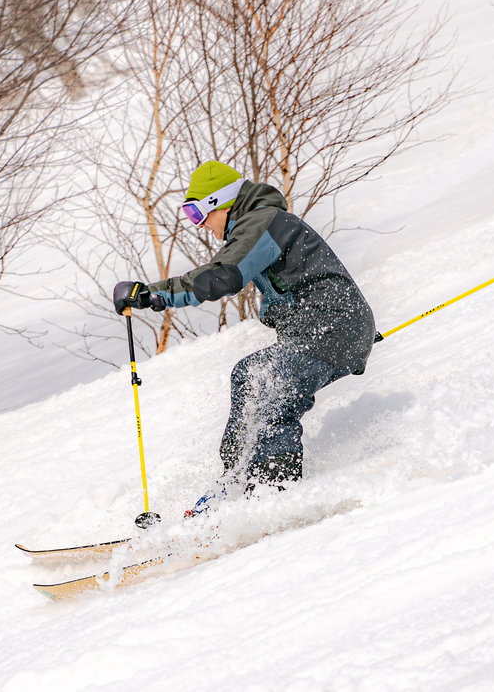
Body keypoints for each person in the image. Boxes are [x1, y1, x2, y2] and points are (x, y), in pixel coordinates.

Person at [113, 161, 375, 512]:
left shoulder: (263, 221)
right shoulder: (259, 223)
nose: (199, 223)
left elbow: (225, 275)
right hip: (326, 329)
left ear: (219, 202)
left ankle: (270, 494)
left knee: (264, 382)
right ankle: (238, 481)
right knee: (254, 378)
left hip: (331, 328)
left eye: (196, 212)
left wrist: (153, 293)